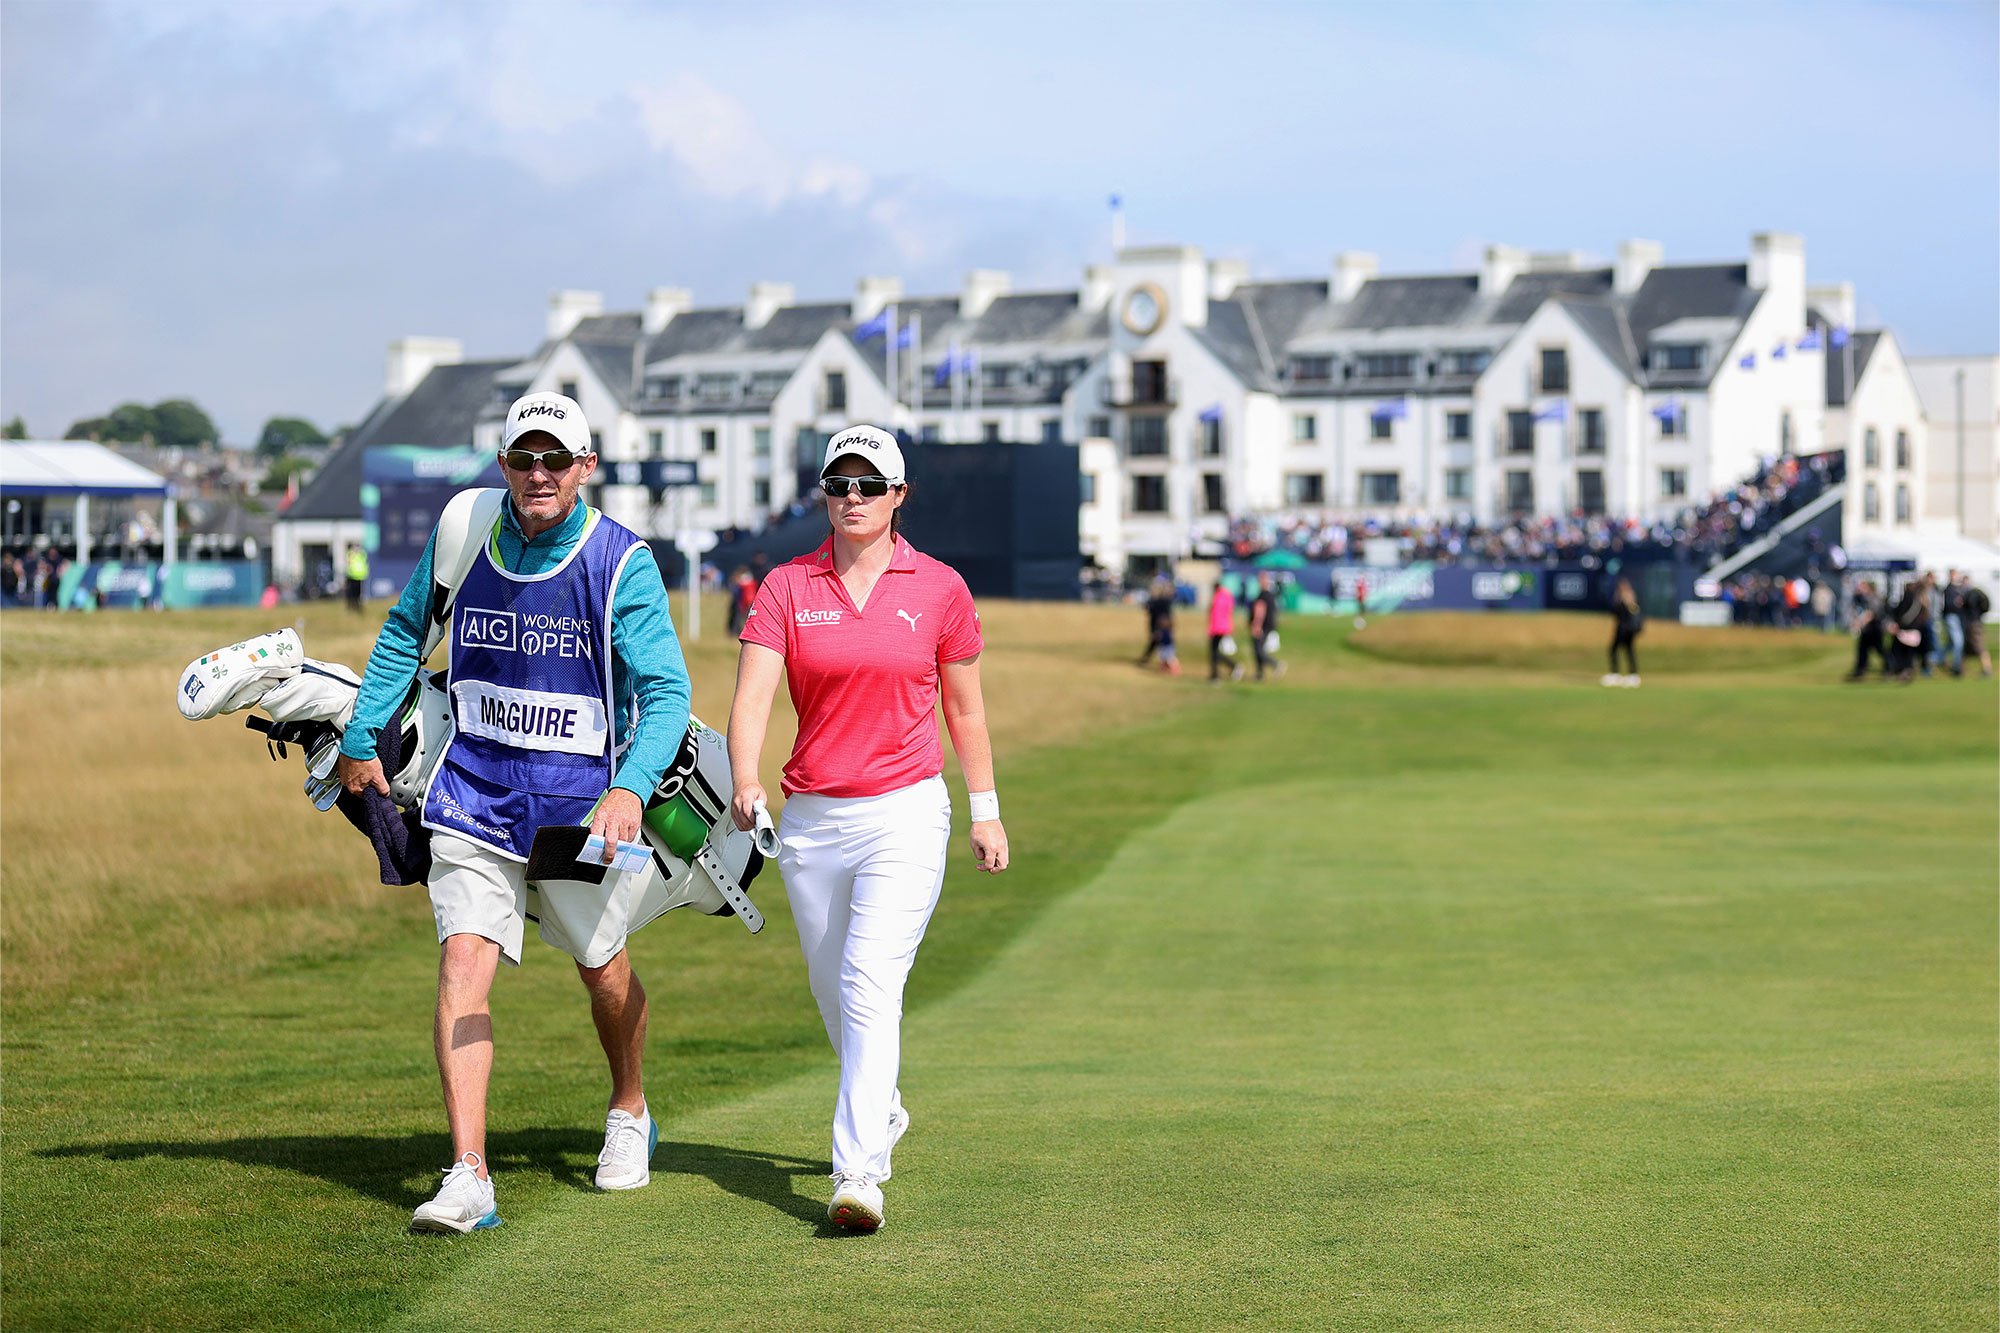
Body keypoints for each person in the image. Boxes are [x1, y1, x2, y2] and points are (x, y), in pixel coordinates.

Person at [334, 392, 692, 1234]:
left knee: (602, 969)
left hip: (581, 814)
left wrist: (631, 786)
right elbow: (400, 632)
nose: (539, 473)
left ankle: (630, 1107)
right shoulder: (465, 531)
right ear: (503, 465)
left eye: (555, 459)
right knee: (463, 961)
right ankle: (468, 1174)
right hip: (473, 793)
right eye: (524, 459)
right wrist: (359, 736)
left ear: (585, 468)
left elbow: (668, 691)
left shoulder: (621, 561)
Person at [726, 424, 1007, 1234]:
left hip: (907, 812)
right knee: (831, 990)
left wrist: (984, 812)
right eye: (839, 484)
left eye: (869, 485)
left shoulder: (941, 587)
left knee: (866, 980)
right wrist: (747, 778)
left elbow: (965, 708)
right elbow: (753, 698)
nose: (853, 498)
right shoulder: (786, 585)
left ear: (898, 496)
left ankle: (857, 1175)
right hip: (812, 819)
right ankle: (881, 1106)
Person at [1604, 577, 1643, 686]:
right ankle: (1630, 674)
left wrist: (1621, 601)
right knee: (1625, 651)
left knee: (1618, 650)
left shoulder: (1626, 600)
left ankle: (1624, 674)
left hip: (1624, 630)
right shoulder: (1631, 599)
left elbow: (1621, 613)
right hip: (1627, 630)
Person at [1845, 579, 1887, 681]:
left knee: (1880, 649)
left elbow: (1871, 613)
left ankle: (1890, 668)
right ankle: (1860, 671)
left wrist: (1859, 623)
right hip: (1867, 630)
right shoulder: (1860, 599)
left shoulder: (1873, 598)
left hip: (1875, 629)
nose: (1859, 589)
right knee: (1862, 650)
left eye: (1862, 587)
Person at [1249, 571, 1284, 680]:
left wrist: (1256, 625)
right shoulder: (1270, 595)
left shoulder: (1263, 595)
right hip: (1268, 626)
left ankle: (1275, 664)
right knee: (1259, 650)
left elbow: (1260, 610)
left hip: (1262, 627)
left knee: (1258, 650)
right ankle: (1260, 674)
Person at [1207, 578, 1242, 683]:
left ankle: (1217, 674)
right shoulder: (1227, 596)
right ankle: (1220, 671)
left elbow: (1215, 615)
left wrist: (1210, 629)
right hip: (1223, 628)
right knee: (1215, 652)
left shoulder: (1218, 597)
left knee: (1214, 652)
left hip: (1217, 628)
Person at [1959, 574, 1993, 678]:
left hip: (1973, 624)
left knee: (1979, 648)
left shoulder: (1970, 594)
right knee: (1967, 649)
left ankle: (1987, 669)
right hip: (1975, 623)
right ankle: (1960, 671)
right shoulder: (1975, 593)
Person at [343, 542, 369, 613]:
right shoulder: (350, 554)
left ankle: (357, 606)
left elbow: (365, 563)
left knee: (358, 593)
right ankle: (352, 606)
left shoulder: (362, 554)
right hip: (352, 576)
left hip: (360, 576)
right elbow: (348, 562)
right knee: (352, 593)